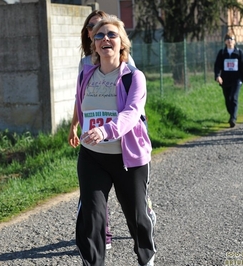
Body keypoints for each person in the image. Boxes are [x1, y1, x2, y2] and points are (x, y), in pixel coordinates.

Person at [74, 16, 156, 266]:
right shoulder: (86, 74)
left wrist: (106, 131)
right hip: (91, 156)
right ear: (94, 45)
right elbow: (81, 106)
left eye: (112, 35)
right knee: (92, 216)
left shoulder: (134, 77)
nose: (105, 39)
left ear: (122, 44)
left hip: (127, 158)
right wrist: (76, 127)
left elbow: (132, 113)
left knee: (137, 216)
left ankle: (147, 258)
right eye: (99, 35)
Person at [214, 31, 243, 128]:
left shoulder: (239, 53)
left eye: (231, 39)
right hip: (225, 80)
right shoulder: (222, 53)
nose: (229, 41)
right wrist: (218, 76)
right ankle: (232, 114)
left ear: (235, 41)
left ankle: (233, 119)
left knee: (234, 98)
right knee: (228, 99)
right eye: (227, 39)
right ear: (225, 42)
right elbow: (217, 66)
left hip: (237, 79)